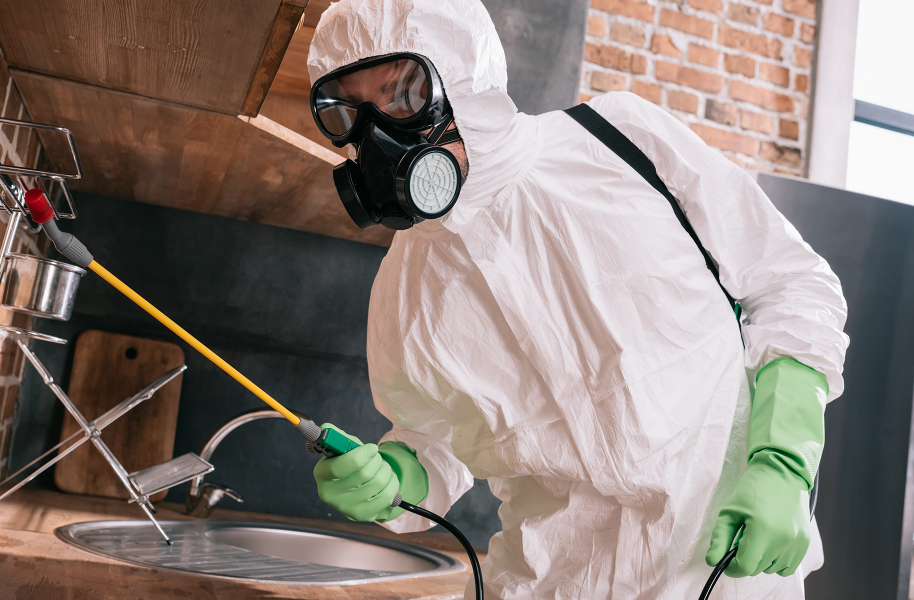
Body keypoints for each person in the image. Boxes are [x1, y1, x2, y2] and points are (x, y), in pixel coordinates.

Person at [305, 1, 849, 598]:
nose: (378, 136)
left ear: (461, 72)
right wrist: (392, 478)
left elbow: (790, 284)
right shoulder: (404, 291)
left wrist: (783, 462)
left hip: (726, 576)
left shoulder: (621, 141)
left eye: (402, 93)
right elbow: (432, 440)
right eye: (351, 114)